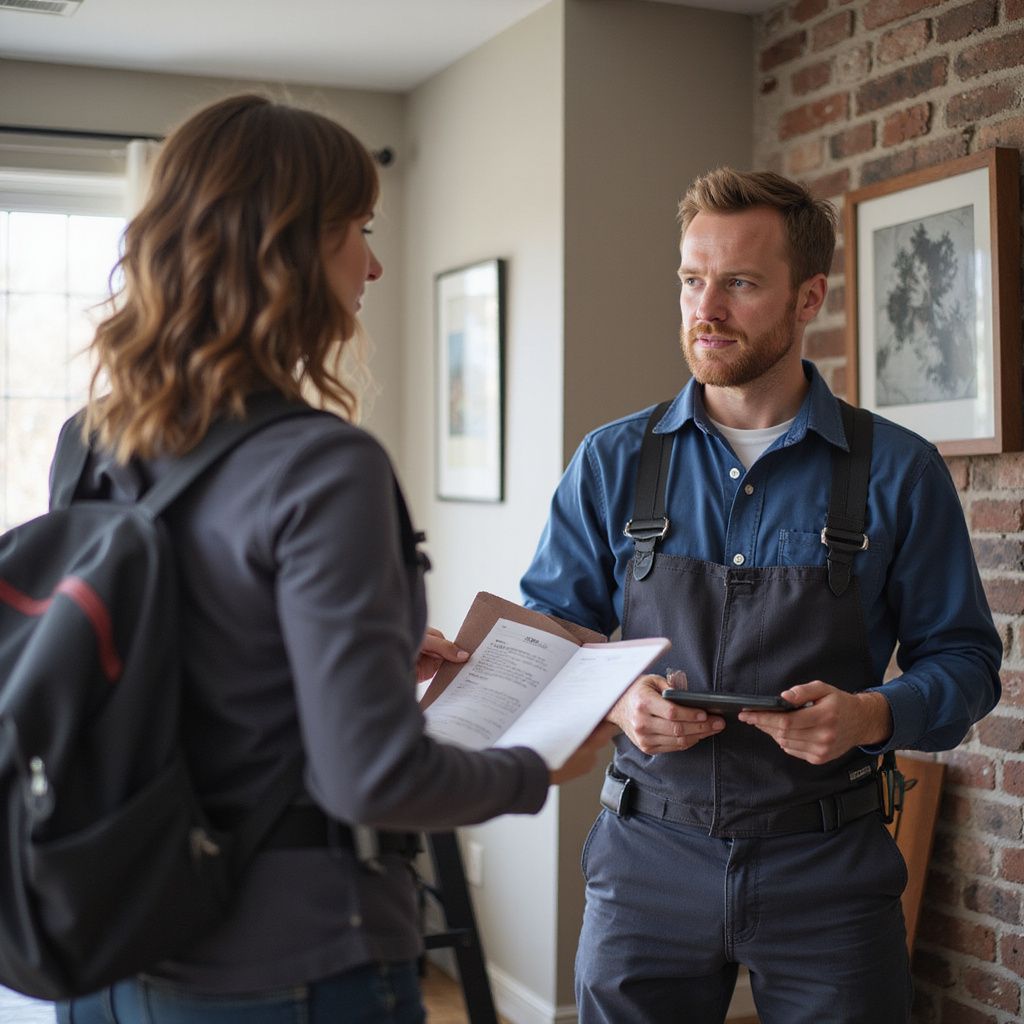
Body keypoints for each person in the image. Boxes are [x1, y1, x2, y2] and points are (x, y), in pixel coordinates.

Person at [53, 93, 613, 1024]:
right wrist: (534, 765)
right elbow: (372, 780)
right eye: (358, 228)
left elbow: (159, 665)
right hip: (291, 965)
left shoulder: (89, 439)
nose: (375, 262)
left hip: (113, 944)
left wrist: (368, 655)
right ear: (291, 249)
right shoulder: (325, 465)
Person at [520, 167, 1001, 1024]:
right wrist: (623, 700)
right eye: (691, 279)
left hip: (830, 869)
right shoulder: (611, 462)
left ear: (808, 295)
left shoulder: (899, 471)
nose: (706, 309)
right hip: (645, 863)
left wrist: (869, 716)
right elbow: (549, 639)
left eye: (739, 283)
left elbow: (966, 662)